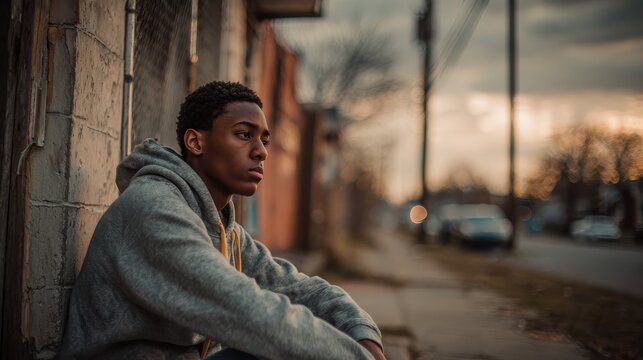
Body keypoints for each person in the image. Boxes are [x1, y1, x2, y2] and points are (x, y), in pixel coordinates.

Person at [58, 81, 386, 360]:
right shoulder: (154, 211)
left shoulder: (221, 228)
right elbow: (246, 312)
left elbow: (294, 287)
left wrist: (360, 331)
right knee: (274, 344)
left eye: (265, 140)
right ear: (196, 142)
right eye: (244, 135)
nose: (261, 152)